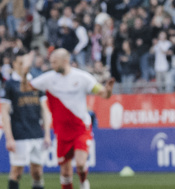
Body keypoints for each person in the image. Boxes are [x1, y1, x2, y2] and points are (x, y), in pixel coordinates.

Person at [29, 49, 114, 189]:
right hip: (61, 131)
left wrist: (108, 90)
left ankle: (83, 182)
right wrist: (23, 70)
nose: (52, 65)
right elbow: (27, 86)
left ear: (65, 61)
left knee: (80, 164)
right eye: (51, 62)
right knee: (65, 172)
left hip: (81, 127)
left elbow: (103, 94)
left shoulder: (82, 77)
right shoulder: (48, 78)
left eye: (55, 62)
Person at [1, 51, 52, 189]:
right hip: (19, 133)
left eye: (25, 63)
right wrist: (9, 137)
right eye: (21, 63)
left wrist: (47, 134)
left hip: (36, 132)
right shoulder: (10, 84)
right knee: (16, 171)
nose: (24, 66)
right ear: (14, 64)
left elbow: (45, 110)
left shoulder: (35, 82)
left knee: (37, 171)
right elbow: (4, 112)